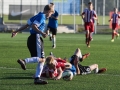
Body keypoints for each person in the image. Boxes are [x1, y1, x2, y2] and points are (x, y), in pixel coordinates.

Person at [17, 4, 55, 85]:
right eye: (51, 13)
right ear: (48, 11)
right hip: (36, 38)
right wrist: (42, 33)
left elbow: (27, 25)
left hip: (32, 38)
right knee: (42, 59)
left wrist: (16, 31)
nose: (51, 15)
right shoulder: (42, 16)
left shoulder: (38, 15)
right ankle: (24, 61)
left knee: (41, 60)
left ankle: (37, 78)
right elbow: (34, 26)